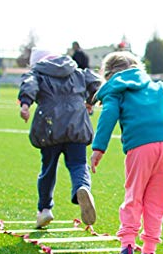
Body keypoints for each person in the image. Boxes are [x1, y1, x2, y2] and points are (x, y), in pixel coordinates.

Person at [90, 51, 163, 254]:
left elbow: (109, 114)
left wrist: (98, 148)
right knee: (156, 202)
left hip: (140, 147)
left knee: (133, 196)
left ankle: (126, 249)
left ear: (108, 74)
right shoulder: (159, 87)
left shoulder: (117, 89)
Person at [18, 48, 101, 228]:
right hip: (77, 124)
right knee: (78, 164)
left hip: (49, 126)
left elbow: (29, 85)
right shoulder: (75, 70)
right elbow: (95, 82)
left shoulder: (37, 73)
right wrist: (90, 101)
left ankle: (45, 209)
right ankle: (82, 187)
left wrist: (25, 104)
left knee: (48, 168)